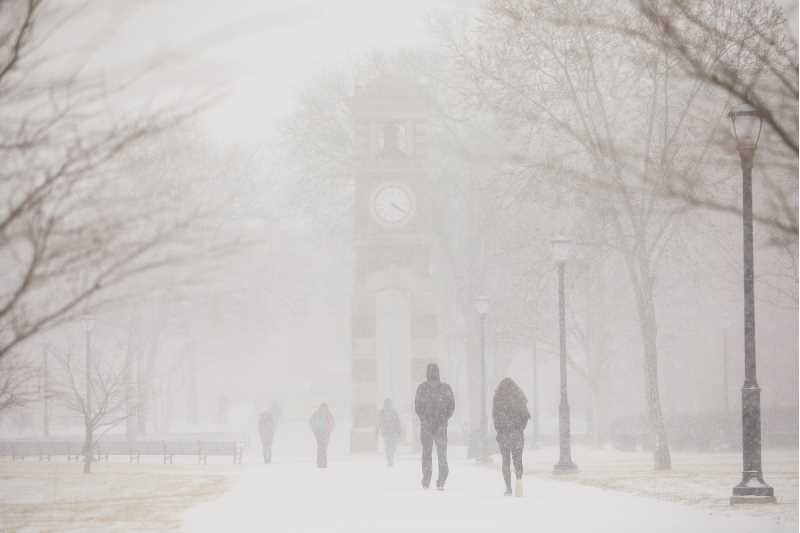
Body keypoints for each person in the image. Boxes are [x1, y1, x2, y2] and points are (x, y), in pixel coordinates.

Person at [414, 363, 455, 490]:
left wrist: (424, 419)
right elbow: (452, 407)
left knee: (427, 453)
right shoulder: (446, 388)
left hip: (426, 426)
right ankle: (442, 478)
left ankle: (426, 478)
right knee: (442, 453)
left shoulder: (422, 388)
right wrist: (444, 419)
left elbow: (417, 407)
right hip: (441, 427)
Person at [492, 377, 531, 497]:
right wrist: (519, 428)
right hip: (517, 434)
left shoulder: (498, 398)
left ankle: (508, 488)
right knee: (518, 460)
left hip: (504, 435)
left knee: (506, 461)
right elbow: (525, 416)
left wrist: (500, 430)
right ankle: (519, 482)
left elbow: (495, 418)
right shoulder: (519, 398)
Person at [377, 398, 403, 467]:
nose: (388, 405)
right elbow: (379, 422)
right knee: (388, 447)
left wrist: (399, 431)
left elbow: (398, 422)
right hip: (387, 432)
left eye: (389, 404)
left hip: (393, 432)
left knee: (392, 446)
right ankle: (390, 460)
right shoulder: (382, 412)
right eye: (387, 404)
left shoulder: (394, 412)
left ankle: (390, 459)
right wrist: (377, 431)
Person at [309, 403, 335, 468]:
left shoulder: (329, 415)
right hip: (319, 433)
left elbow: (332, 423)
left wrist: (330, 430)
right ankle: (321, 463)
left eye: (325, 408)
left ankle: (322, 463)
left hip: (326, 433)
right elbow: (311, 421)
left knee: (323, 449)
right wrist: (314, 430)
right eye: (323, 408)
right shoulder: (317, 414)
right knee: (321, 448)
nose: (324, 409)